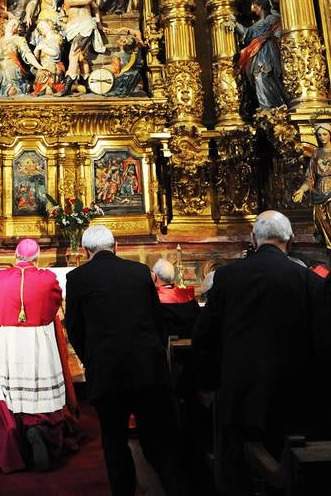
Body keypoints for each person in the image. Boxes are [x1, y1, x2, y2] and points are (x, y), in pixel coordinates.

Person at [192, 210, 331, 495]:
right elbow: (322, 341)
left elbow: (204, 337)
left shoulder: (227, 277)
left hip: (240, 394)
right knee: (290, 471)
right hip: (293, 395)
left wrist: (212, 383)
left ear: (253, 238)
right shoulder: (307, 280)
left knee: (241, 474)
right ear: (290, 240)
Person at [65, 224, 188, 496]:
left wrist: (91, 359)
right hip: (147, 367)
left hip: (107, 371)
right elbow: (157, 318)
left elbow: (73, 327)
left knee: (114, 439)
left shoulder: (77, 278)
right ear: (116, 246)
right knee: (159, 440)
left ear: (85, 251)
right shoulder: (140, 273)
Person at [0, 238, 78, 473]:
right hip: (38, 345)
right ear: (36, 257)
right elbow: (54, 307)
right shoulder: (47, 278)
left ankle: (12, 428)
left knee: (6, 388)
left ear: (16, 257)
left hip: (7, 344)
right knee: (39, 387)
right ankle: (38, 426)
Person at [227, 0, 289, 110]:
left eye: (255, 7)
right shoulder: (258, 23)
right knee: (258, 77)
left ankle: (273, 107)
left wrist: (275, 37)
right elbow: (247, 33)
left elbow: (278, 30)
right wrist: (235, 24)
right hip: (257, 51)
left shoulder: (272, 18)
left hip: (268, 49)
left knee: (266, 75)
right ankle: (266, 107)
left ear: (260, 7)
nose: (254, 10)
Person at [56, 0, 107, 96]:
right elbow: (85, 1)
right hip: (74, 29)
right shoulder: (67, 0)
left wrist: (99, 24)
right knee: (81, 57)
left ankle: (67, 86)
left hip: (86, 26)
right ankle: (86, 84)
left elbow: (94, 7)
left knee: (73, 54)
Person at [293, 122, 331, 251]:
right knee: (322, 224)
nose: (322, 137)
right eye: (319, 135)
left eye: (325, 134)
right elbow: (310, 178)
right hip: (319, 191)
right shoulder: (316, 154)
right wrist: (301, 190)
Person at [152, 258, 201, 339]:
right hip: (191, 347)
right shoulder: (188, 298)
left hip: (164, 348)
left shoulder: (154, 300)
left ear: (155, 277)